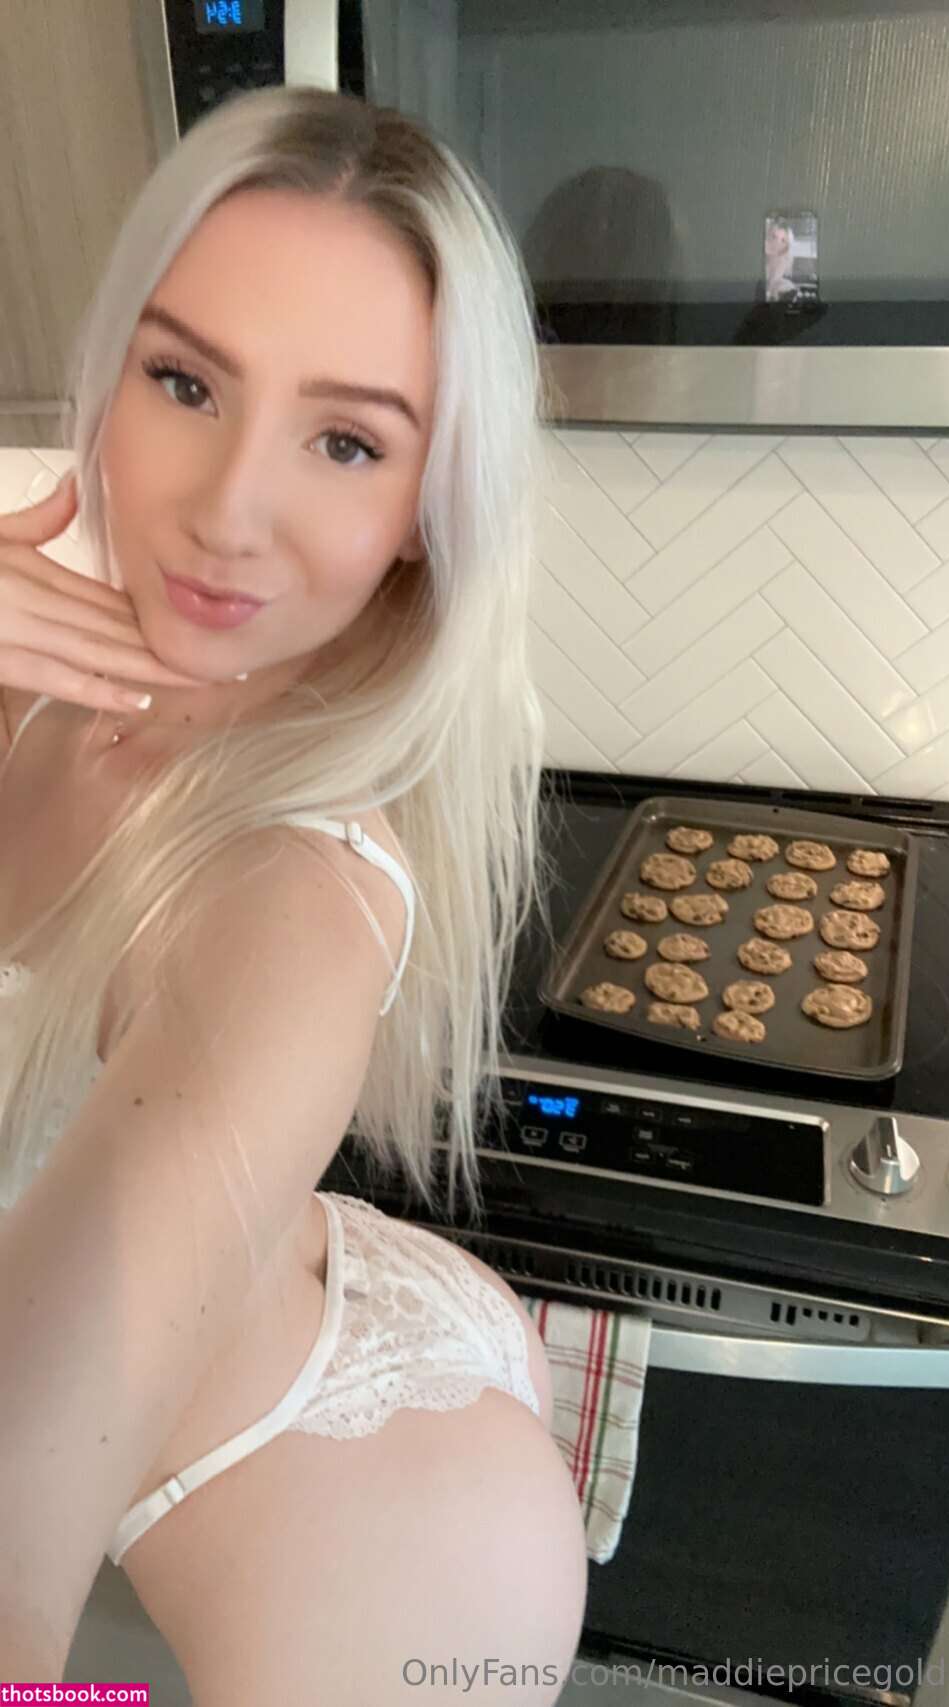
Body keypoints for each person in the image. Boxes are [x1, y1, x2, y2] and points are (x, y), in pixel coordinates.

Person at [0, 87, 587, 1699]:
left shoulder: (289, 903)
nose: (226, 508)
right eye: (186, 381)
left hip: (368, 1555)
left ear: (422, 515)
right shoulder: (47, 681)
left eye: (345, 441)